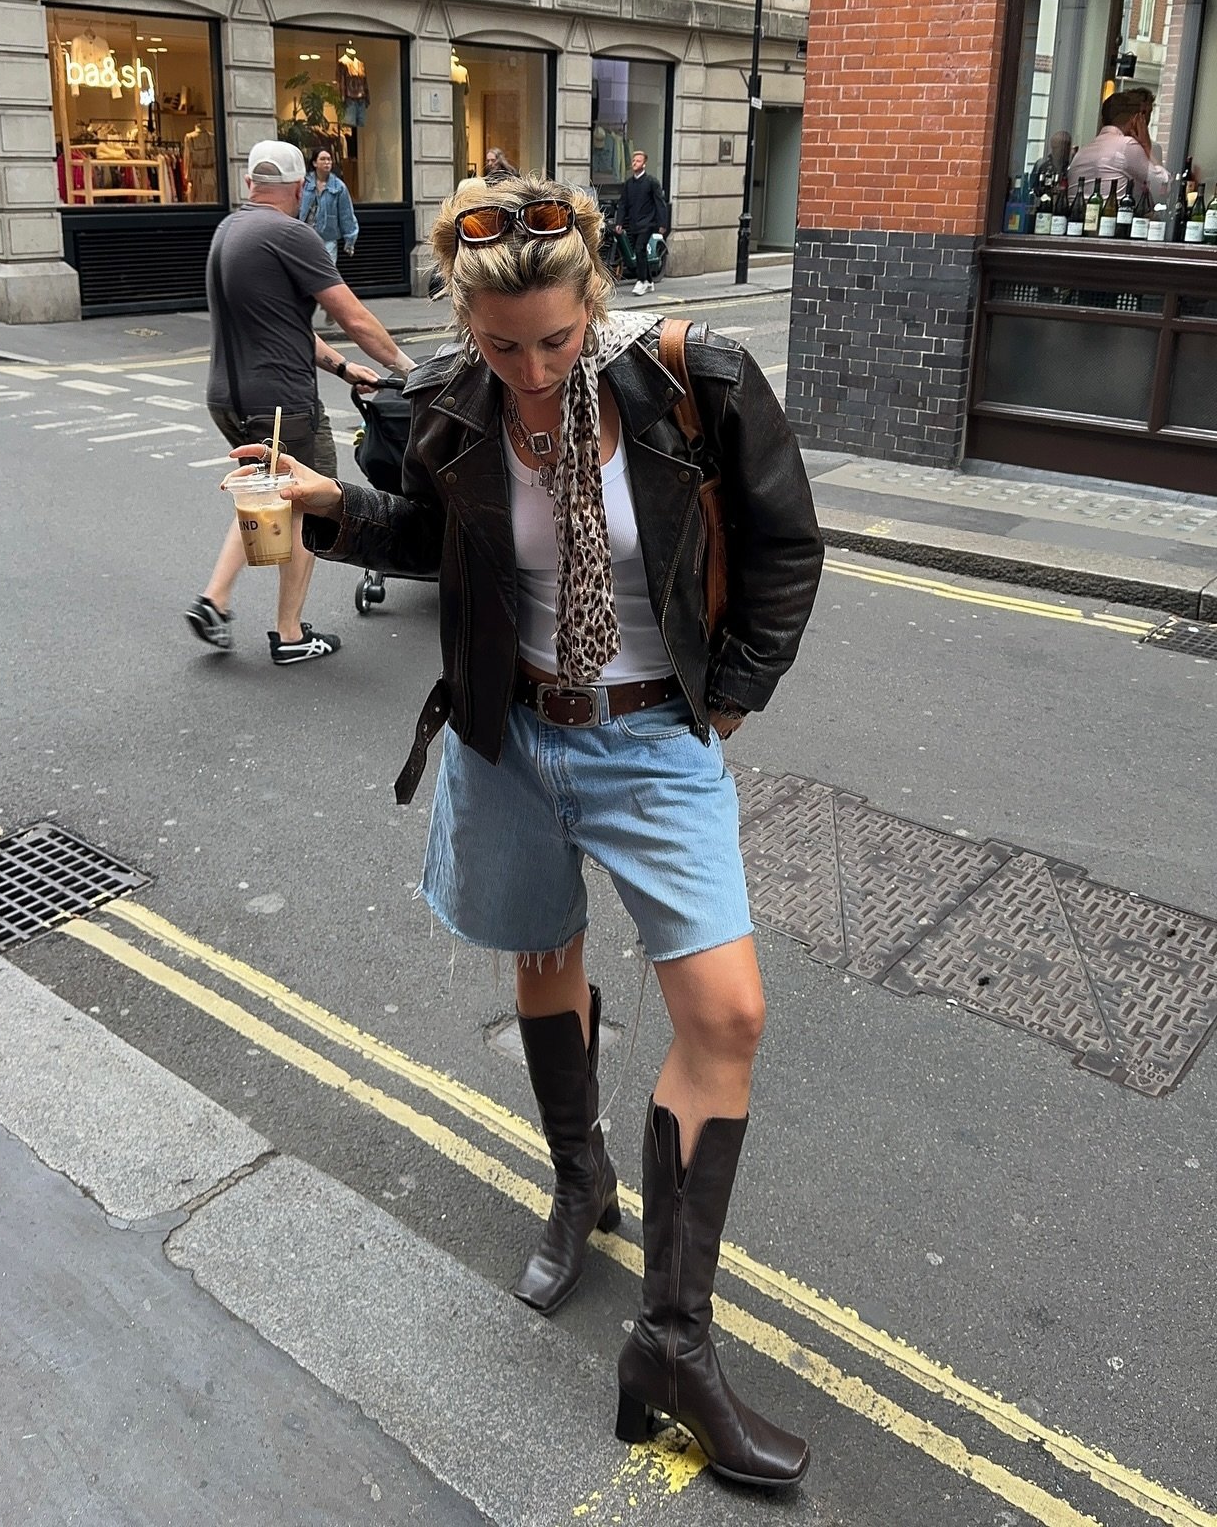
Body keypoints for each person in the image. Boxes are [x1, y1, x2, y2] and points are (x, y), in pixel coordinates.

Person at [242, 175, 823, 1487]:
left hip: (651, 735)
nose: (534, 371)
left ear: (591, 306)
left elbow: (788, 545)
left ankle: (670, 1348)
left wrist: (729, 698)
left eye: (555, 342)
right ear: (467, 325)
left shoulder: (696, 382)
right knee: (542, 954)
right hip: (512, 734)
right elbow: (430, 546)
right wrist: (326, 506)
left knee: (726, 1016)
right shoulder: (451, 405)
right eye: (504, 348)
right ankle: (580, 1180)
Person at [186, 140, 416, 664]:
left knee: (268, 498)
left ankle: (214, 600)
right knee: (307, 501)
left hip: (227, 399)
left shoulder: (229, 231)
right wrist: (410, 371)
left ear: (250, 184)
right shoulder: (292, 235)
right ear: (298, 187)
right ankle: (289, 634)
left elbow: (280, 325)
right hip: (282, 404)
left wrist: (340, 367)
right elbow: (354, 318)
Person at [1066, 92, 1171, 201]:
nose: (1146, 122)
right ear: (1136, 120)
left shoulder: (1082, 152)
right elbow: (1163, 187)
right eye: (1144, 116)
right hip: (1112, 216)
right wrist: (1147, 147)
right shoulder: (1127, 145)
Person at [614, 150, 670, 295]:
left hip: (648, 223)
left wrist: (662, 223)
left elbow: (660, 203)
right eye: (633, 160)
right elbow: (623, 204)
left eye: (638, 161)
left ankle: (642, 281)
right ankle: (650, 281)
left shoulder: (651, 182)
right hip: (634, 223)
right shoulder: (628, 184)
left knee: (639, 249)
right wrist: (619, 222)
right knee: (641, 253)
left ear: (644, 164)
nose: (634, 163)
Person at [299, 148, 359, 267]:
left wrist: (350, 239)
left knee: (327, 271)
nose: (327, 162)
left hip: (328, 238)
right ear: (315, 163)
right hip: (306, 237)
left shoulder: (338, 187)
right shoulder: (304, 183)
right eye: (323, 159)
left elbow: (346, 214)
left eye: (329, 159)